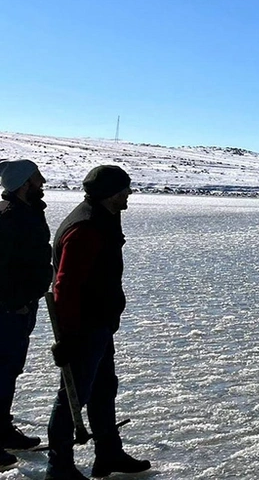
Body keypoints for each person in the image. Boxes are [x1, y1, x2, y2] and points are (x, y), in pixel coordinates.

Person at [45, 165, 150, 480]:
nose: (129, 193)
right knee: (71, 397)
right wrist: (68, 337)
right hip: (84, 328)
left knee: (103, 390)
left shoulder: (102, 217)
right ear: (110, 193)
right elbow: (66, 285)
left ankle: (108, 453)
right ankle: (59, 466)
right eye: (125, 189)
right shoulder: (86, 227)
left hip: (99, 324)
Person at [0, 160, 53, 471]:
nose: (42, 181)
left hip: (22, 306)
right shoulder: (8, 219)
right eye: (37, 178)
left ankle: (3, 429)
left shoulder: (28, 212)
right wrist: (11, 302)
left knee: (9, 371)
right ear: (23, 184)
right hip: (8, 309)